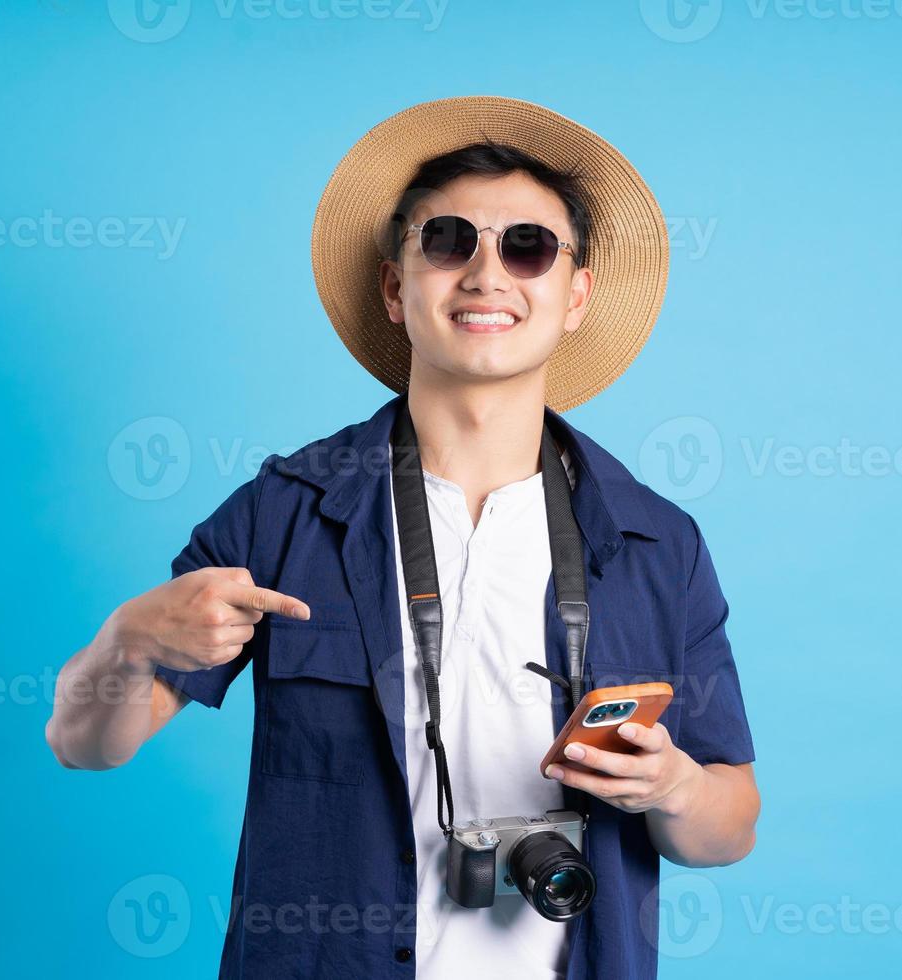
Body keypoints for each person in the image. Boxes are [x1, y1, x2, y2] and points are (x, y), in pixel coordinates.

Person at [45, 95, 759, 980]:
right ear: (395, 286)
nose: (487, 275)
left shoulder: (659, 544)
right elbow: (82, 744)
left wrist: (675, 787)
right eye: (449, 241)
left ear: (575, 296)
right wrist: (127, 638)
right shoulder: (286, 510)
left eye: (527, 247)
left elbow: (731, 826)